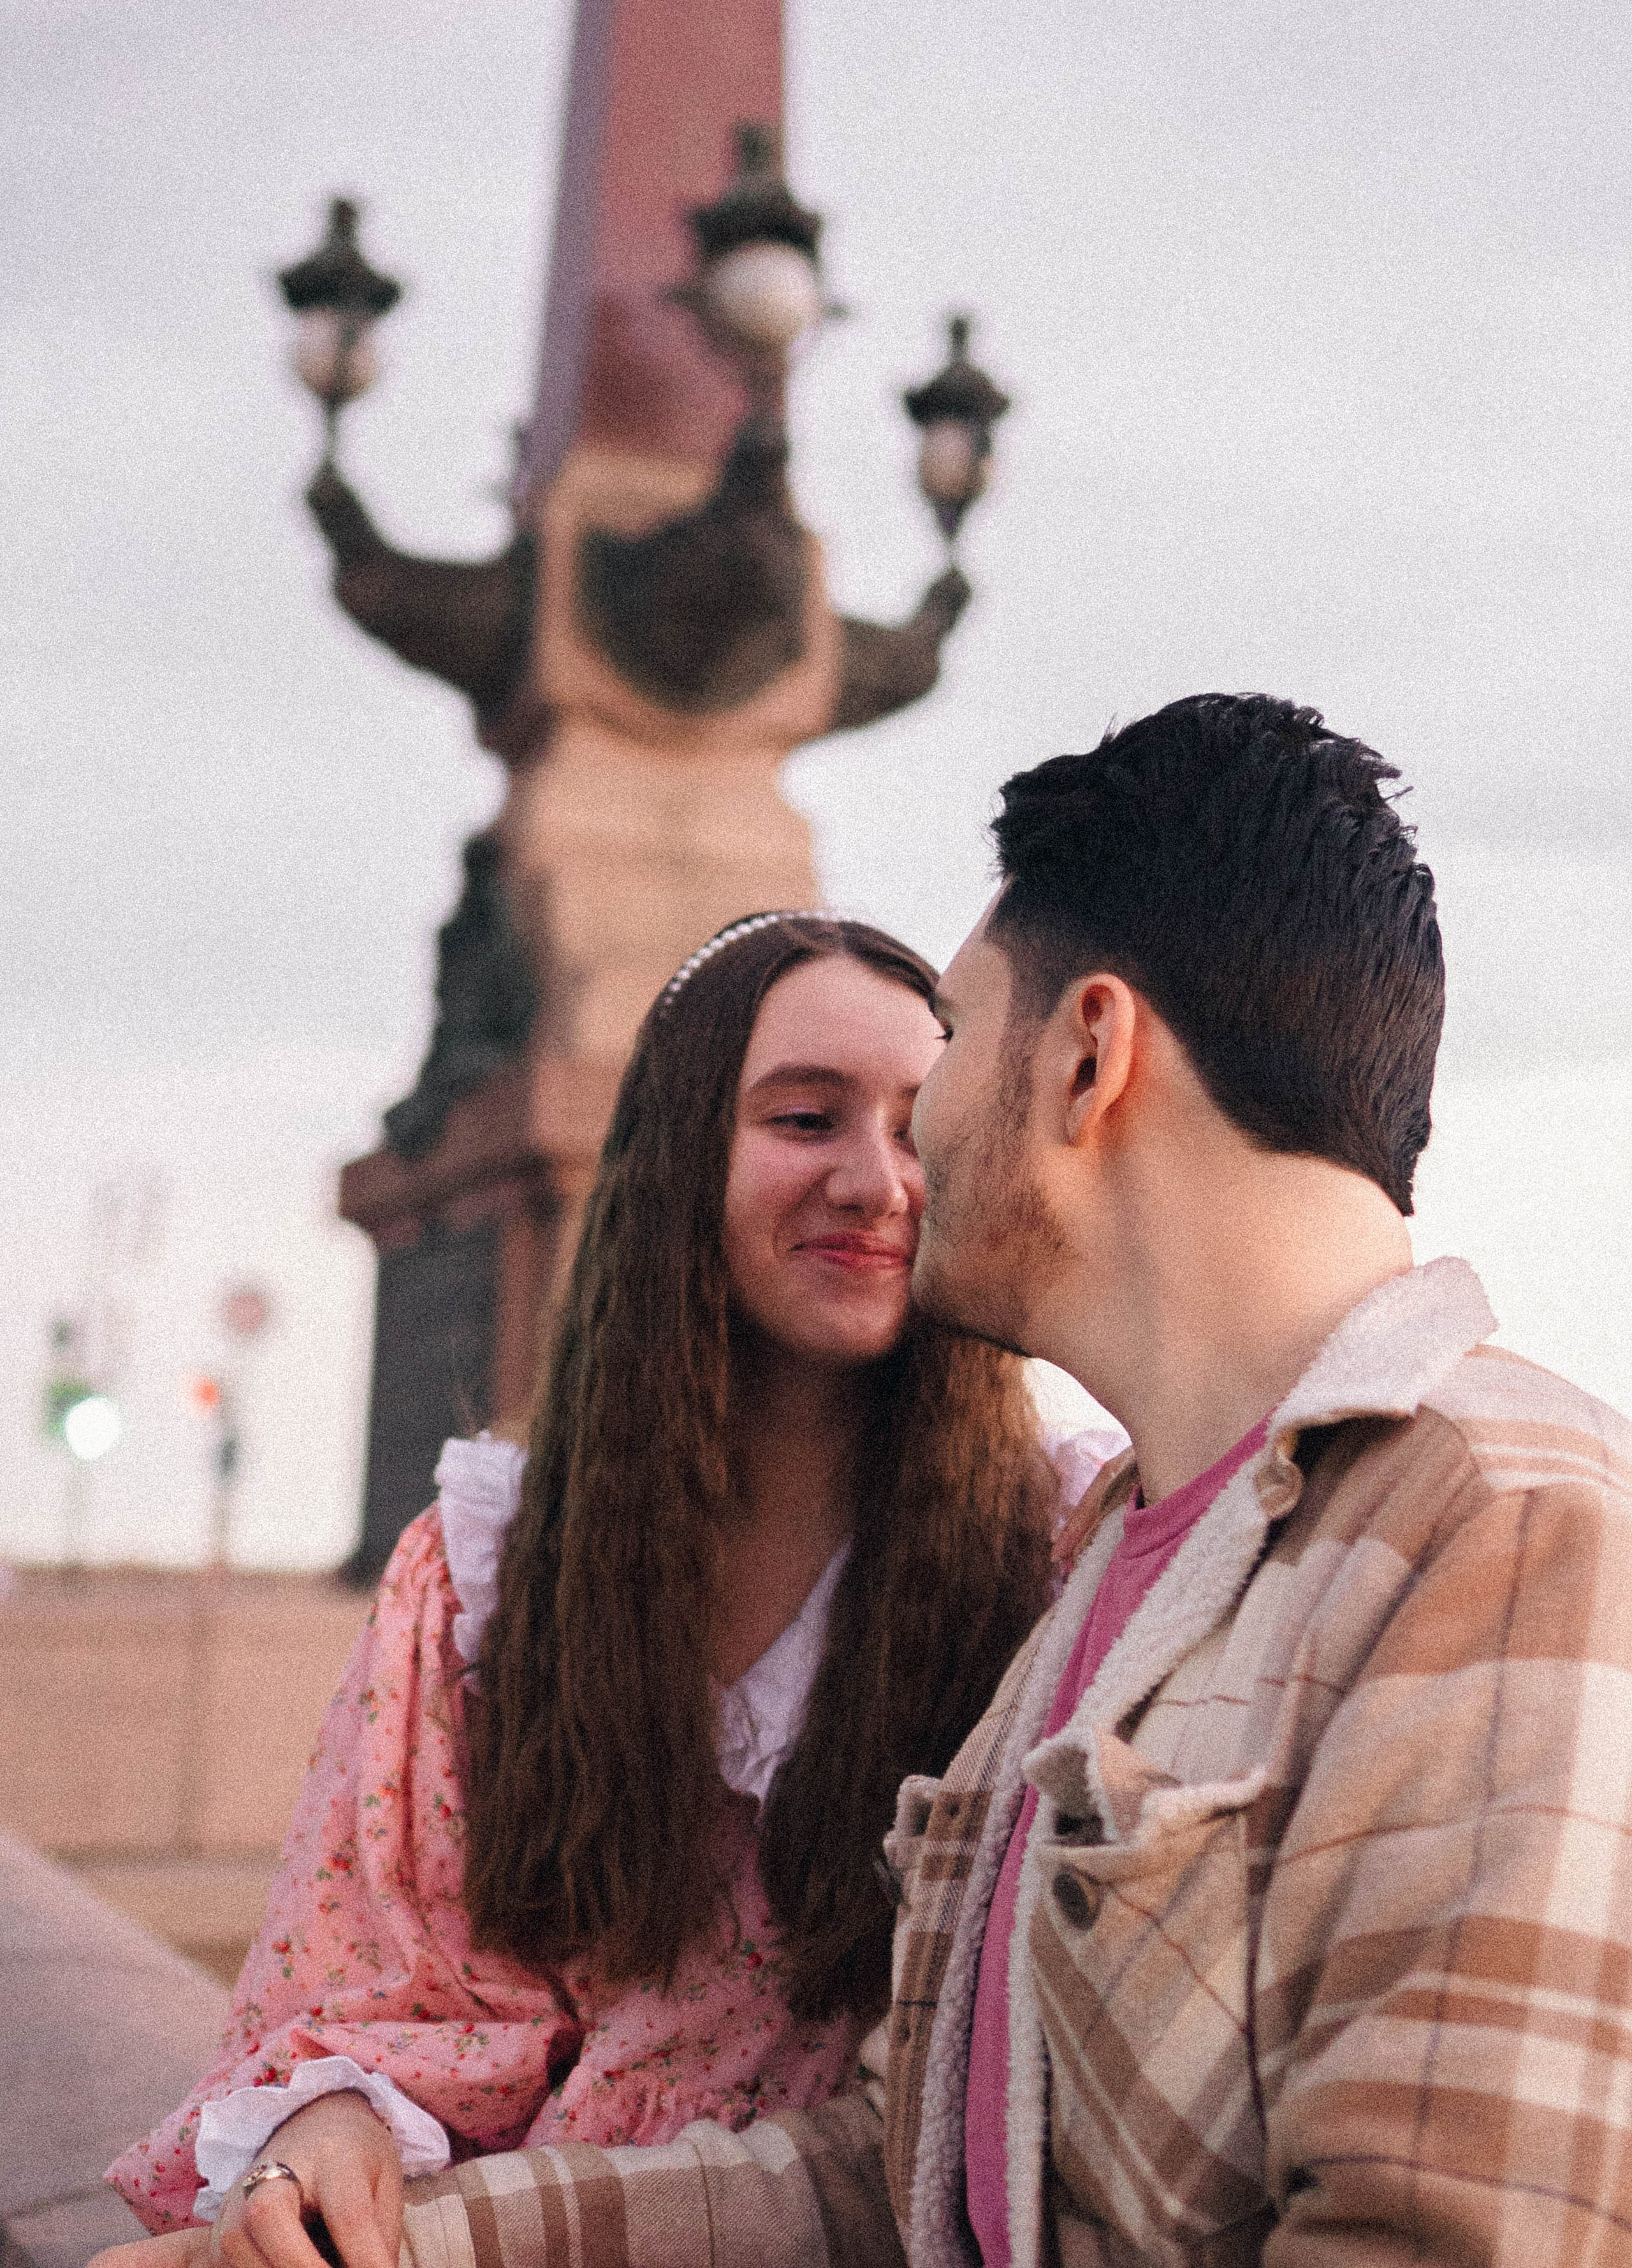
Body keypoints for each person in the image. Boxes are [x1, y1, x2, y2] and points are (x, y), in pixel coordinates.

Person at [365, 693, 1632, 2266]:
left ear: (1088, 1053)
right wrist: (409, 2247)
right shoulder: (1118, 1551)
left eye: (951, 1041)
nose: (909, 1152)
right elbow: (890, 2178)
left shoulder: (1502, 1524)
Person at [104, 913, 1107, 2265]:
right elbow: (376, 1973)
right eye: (805, 1120)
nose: (876, 1179)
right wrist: (330, 2117)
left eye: (921, 1126)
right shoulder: (489, 1571)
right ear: (679, 1161)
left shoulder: (1060, 1547)